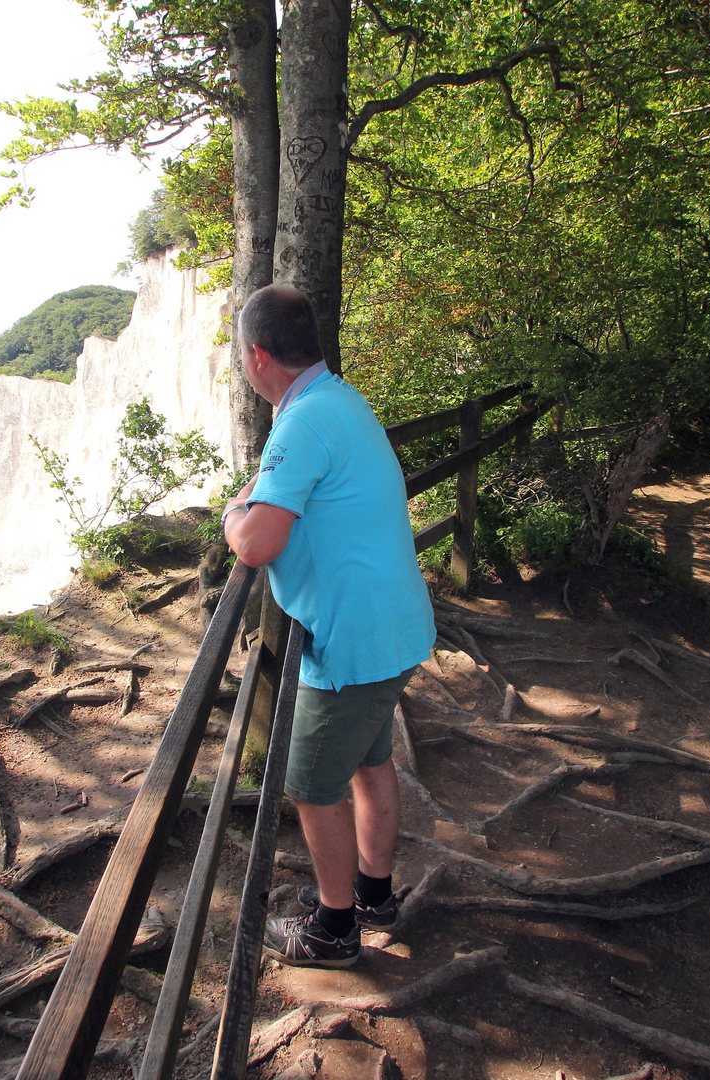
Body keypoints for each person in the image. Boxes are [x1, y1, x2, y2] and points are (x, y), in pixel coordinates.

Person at [222, 284, 436, 968]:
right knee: (370, 764)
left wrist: (232, 514)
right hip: (389, 628)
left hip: (352, 642)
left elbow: (255, 543)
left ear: (257, 357)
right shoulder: (339, 399)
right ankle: (373, 895)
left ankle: (333, 930)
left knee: (311, 784)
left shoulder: (304, 421)